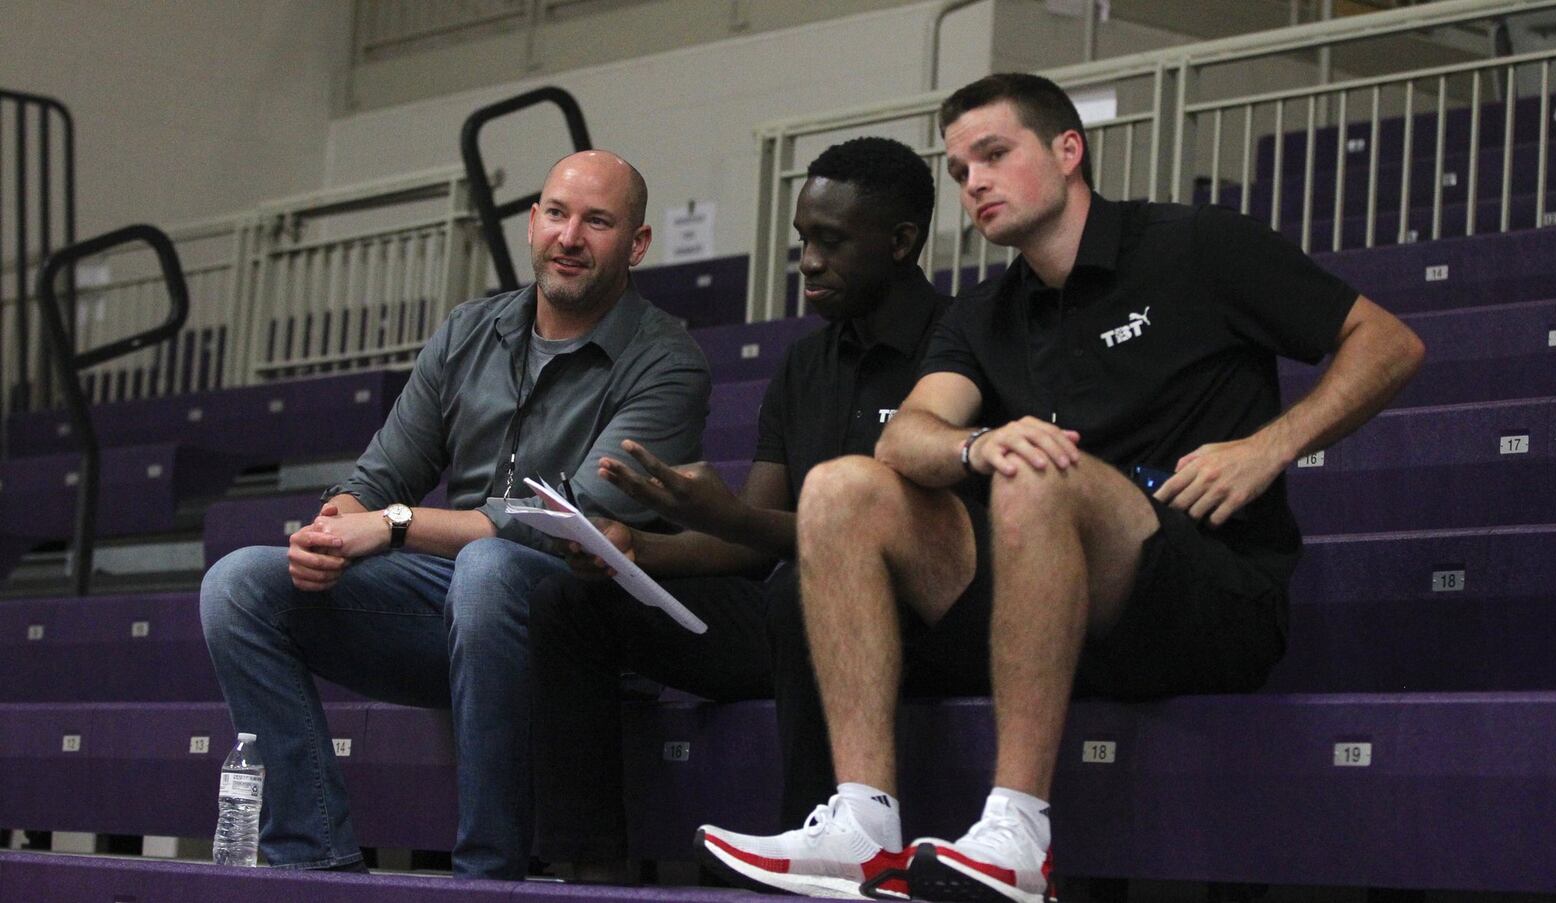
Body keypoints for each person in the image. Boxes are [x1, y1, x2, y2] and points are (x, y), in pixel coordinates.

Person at [697, 73, 1425, 903]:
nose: (974, 182)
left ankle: (1018, 832)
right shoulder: (983, 312)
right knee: (839, 487)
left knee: (1036, 475)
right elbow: (909, 435)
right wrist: (978, 443)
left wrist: (1268, 447)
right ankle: (864, 823)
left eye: (994, 155)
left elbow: (1388, 342)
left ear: (1068, 151)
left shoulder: (1196, 245)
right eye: (961, 168)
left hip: (1209, 591)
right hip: (1048, 604)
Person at [199, 150, 711, 880]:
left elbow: (571, 523)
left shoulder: (667, 358)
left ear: (636, 244)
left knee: (489, 566)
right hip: (454, 616)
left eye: (598, 222)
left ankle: (486, 873)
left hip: (580, 630)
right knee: (238, 586)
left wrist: (396, 523)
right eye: (558, 214)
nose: (570, 237)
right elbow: (377, 478)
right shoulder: (471, 330)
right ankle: (312, 858)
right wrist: (331, 529)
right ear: (532, 223)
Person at [523, 137, 948, 884]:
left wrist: (725, 515)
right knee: (572, 598)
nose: (808, 260)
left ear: (903, 241)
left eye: (831, 241)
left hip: (913, 616)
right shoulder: (806, 363)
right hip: (789, 611)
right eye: (802, 240)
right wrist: (632, 548)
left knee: (798, 589)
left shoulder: (953, 346)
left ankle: (826, 854)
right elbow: (755, 538)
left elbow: (878, 543)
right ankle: (588, 864)